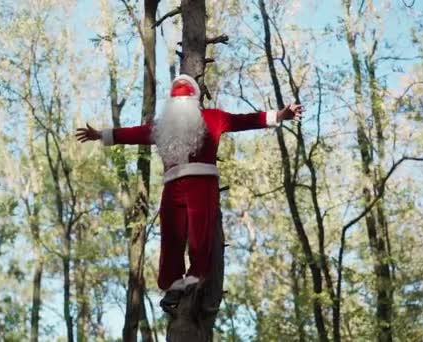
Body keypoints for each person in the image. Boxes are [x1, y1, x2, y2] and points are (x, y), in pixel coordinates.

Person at [76, 74, 303, 309]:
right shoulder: (162, 128)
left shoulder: (213, 117)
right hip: (172, 187)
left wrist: (279, 115)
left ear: (193, 99)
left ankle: (196, 280)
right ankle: (173, 287)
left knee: (200, 235)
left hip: (202, 183)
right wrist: (101, 134)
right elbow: (131, 133)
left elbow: (245, 120)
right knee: (171, 237)